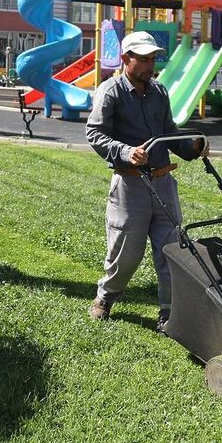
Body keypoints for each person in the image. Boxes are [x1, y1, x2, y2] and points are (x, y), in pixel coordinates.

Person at [85, 31, 206, 331]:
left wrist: (191, 146)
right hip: (130, 186)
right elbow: (95, 133)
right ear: (126, 59)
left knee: (171, 251)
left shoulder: (160, 92)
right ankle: (106, 297)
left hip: (163, 184)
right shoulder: (110, 92)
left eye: (153, 59)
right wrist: (126, 152)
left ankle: (169, 312)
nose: (151, 65)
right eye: (144, 59)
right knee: (126, 252)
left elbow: (168, 131)